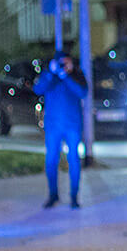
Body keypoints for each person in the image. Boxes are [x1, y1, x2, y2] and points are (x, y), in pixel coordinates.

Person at [34, 53, 88, 209]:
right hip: (53, 126)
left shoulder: (77, 74)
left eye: (66, 63)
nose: (63, 66)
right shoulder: (50, 75)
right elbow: (38, 89)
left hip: (72, 125)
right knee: (51, 160)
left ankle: (74, 196)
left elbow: (82, 92)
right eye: (60, 63)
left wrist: (66, 76)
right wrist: (51, 73)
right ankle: (53, 194)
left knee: (74, 159)